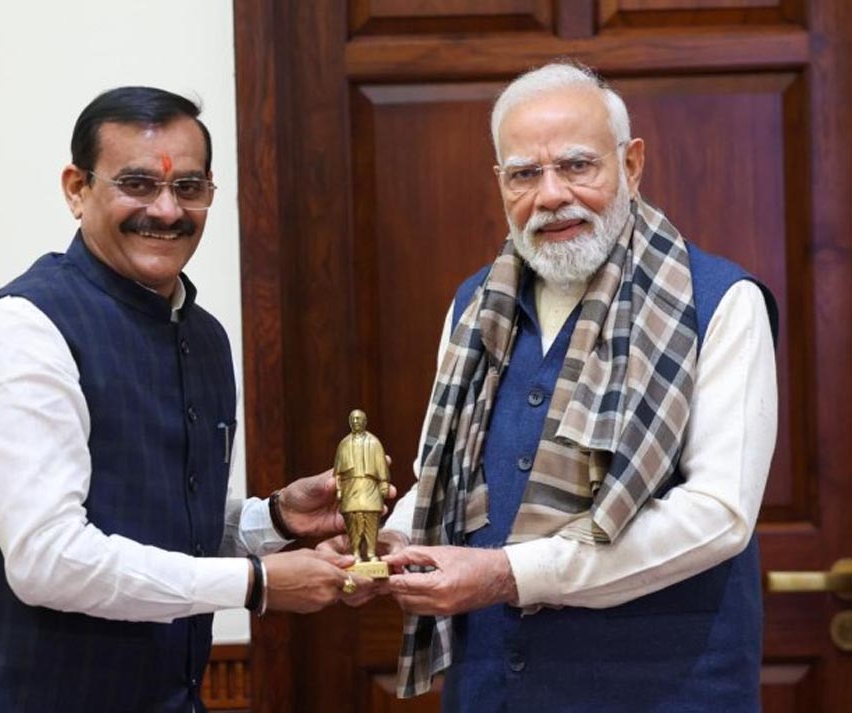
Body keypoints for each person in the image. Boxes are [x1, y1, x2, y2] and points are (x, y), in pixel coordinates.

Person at [326, 62, 779, 711]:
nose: (550, 195)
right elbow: (443, 477)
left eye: (576, 166)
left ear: (631, 164)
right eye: (524, 174)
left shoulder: (721, 303)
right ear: (499, 183)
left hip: (665, 692)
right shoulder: (474, 305)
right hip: (492, 688)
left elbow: (718, 515)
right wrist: (392, 541)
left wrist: (509, 574)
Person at [0, 86, 364, 713]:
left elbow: (154, 527)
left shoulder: (203, 336)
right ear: (77, 190)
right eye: (137, 184)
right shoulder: (23, 330)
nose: (166, 210)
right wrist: (256, 584)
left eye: (188, 187)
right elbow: (48, 559)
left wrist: (275, 521)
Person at [334, 409, 391, 563]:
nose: (356, 422)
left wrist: (384, 483)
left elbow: (381, 466)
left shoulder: (374, 442)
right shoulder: (344, 444)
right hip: (350, 487)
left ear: (365, 421)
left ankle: (371, 553)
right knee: (352, 521)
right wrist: (339, 489)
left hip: (370, 486)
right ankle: (356, 553)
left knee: (371, 520)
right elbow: (337, 472)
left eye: (359, 419)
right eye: (353, 419)